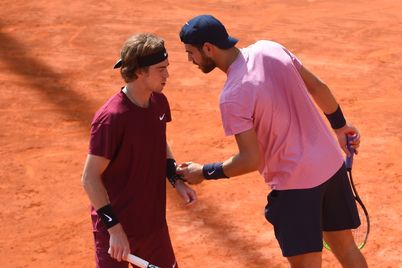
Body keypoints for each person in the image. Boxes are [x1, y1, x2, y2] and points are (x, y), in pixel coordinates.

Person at [177, 15, 368, 268]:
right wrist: (341, 126)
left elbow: (250, 159)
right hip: (331, 165)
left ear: (209, 49)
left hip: (295, 185)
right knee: (347, 248)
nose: (190, 59)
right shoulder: (270, 47)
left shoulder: (232, 96)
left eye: (191, 53)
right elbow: (319, 87)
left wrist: (204, 172)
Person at [81, 33, 196, 268]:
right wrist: (115, 230)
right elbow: (89, 178)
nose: (167, 75)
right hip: (116, 231)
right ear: (140, 72)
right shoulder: (111, 119)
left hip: (153, 226)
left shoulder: (159, 103)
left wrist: (175, 179)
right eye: (160, 69)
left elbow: (159, 141)